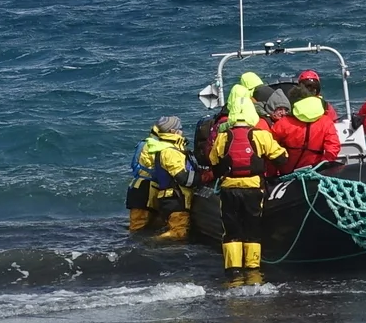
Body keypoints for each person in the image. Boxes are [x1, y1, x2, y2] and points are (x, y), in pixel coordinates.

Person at [209, 91, 287, 278]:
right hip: (253, 188)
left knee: (231, 230)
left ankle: (233, 269)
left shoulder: (223, 136)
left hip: (229, 188)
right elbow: (281, 158)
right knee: (252, 228)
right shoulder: (261, 135)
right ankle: (252, 269)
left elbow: (213, 160)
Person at [126, 116, 194, 238]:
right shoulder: (160, 147)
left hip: (136, 187)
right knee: (141, 227)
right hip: (148, 190)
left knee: (136, 229)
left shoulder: (144, 144)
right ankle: (151, 244)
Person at [270, 89, 341, 173]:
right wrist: (322, 166)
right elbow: (333, 148)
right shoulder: (326, 122)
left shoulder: (283, 123)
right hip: (316, 171)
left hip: (288, 173)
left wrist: (273, 173)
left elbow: (270, 149)